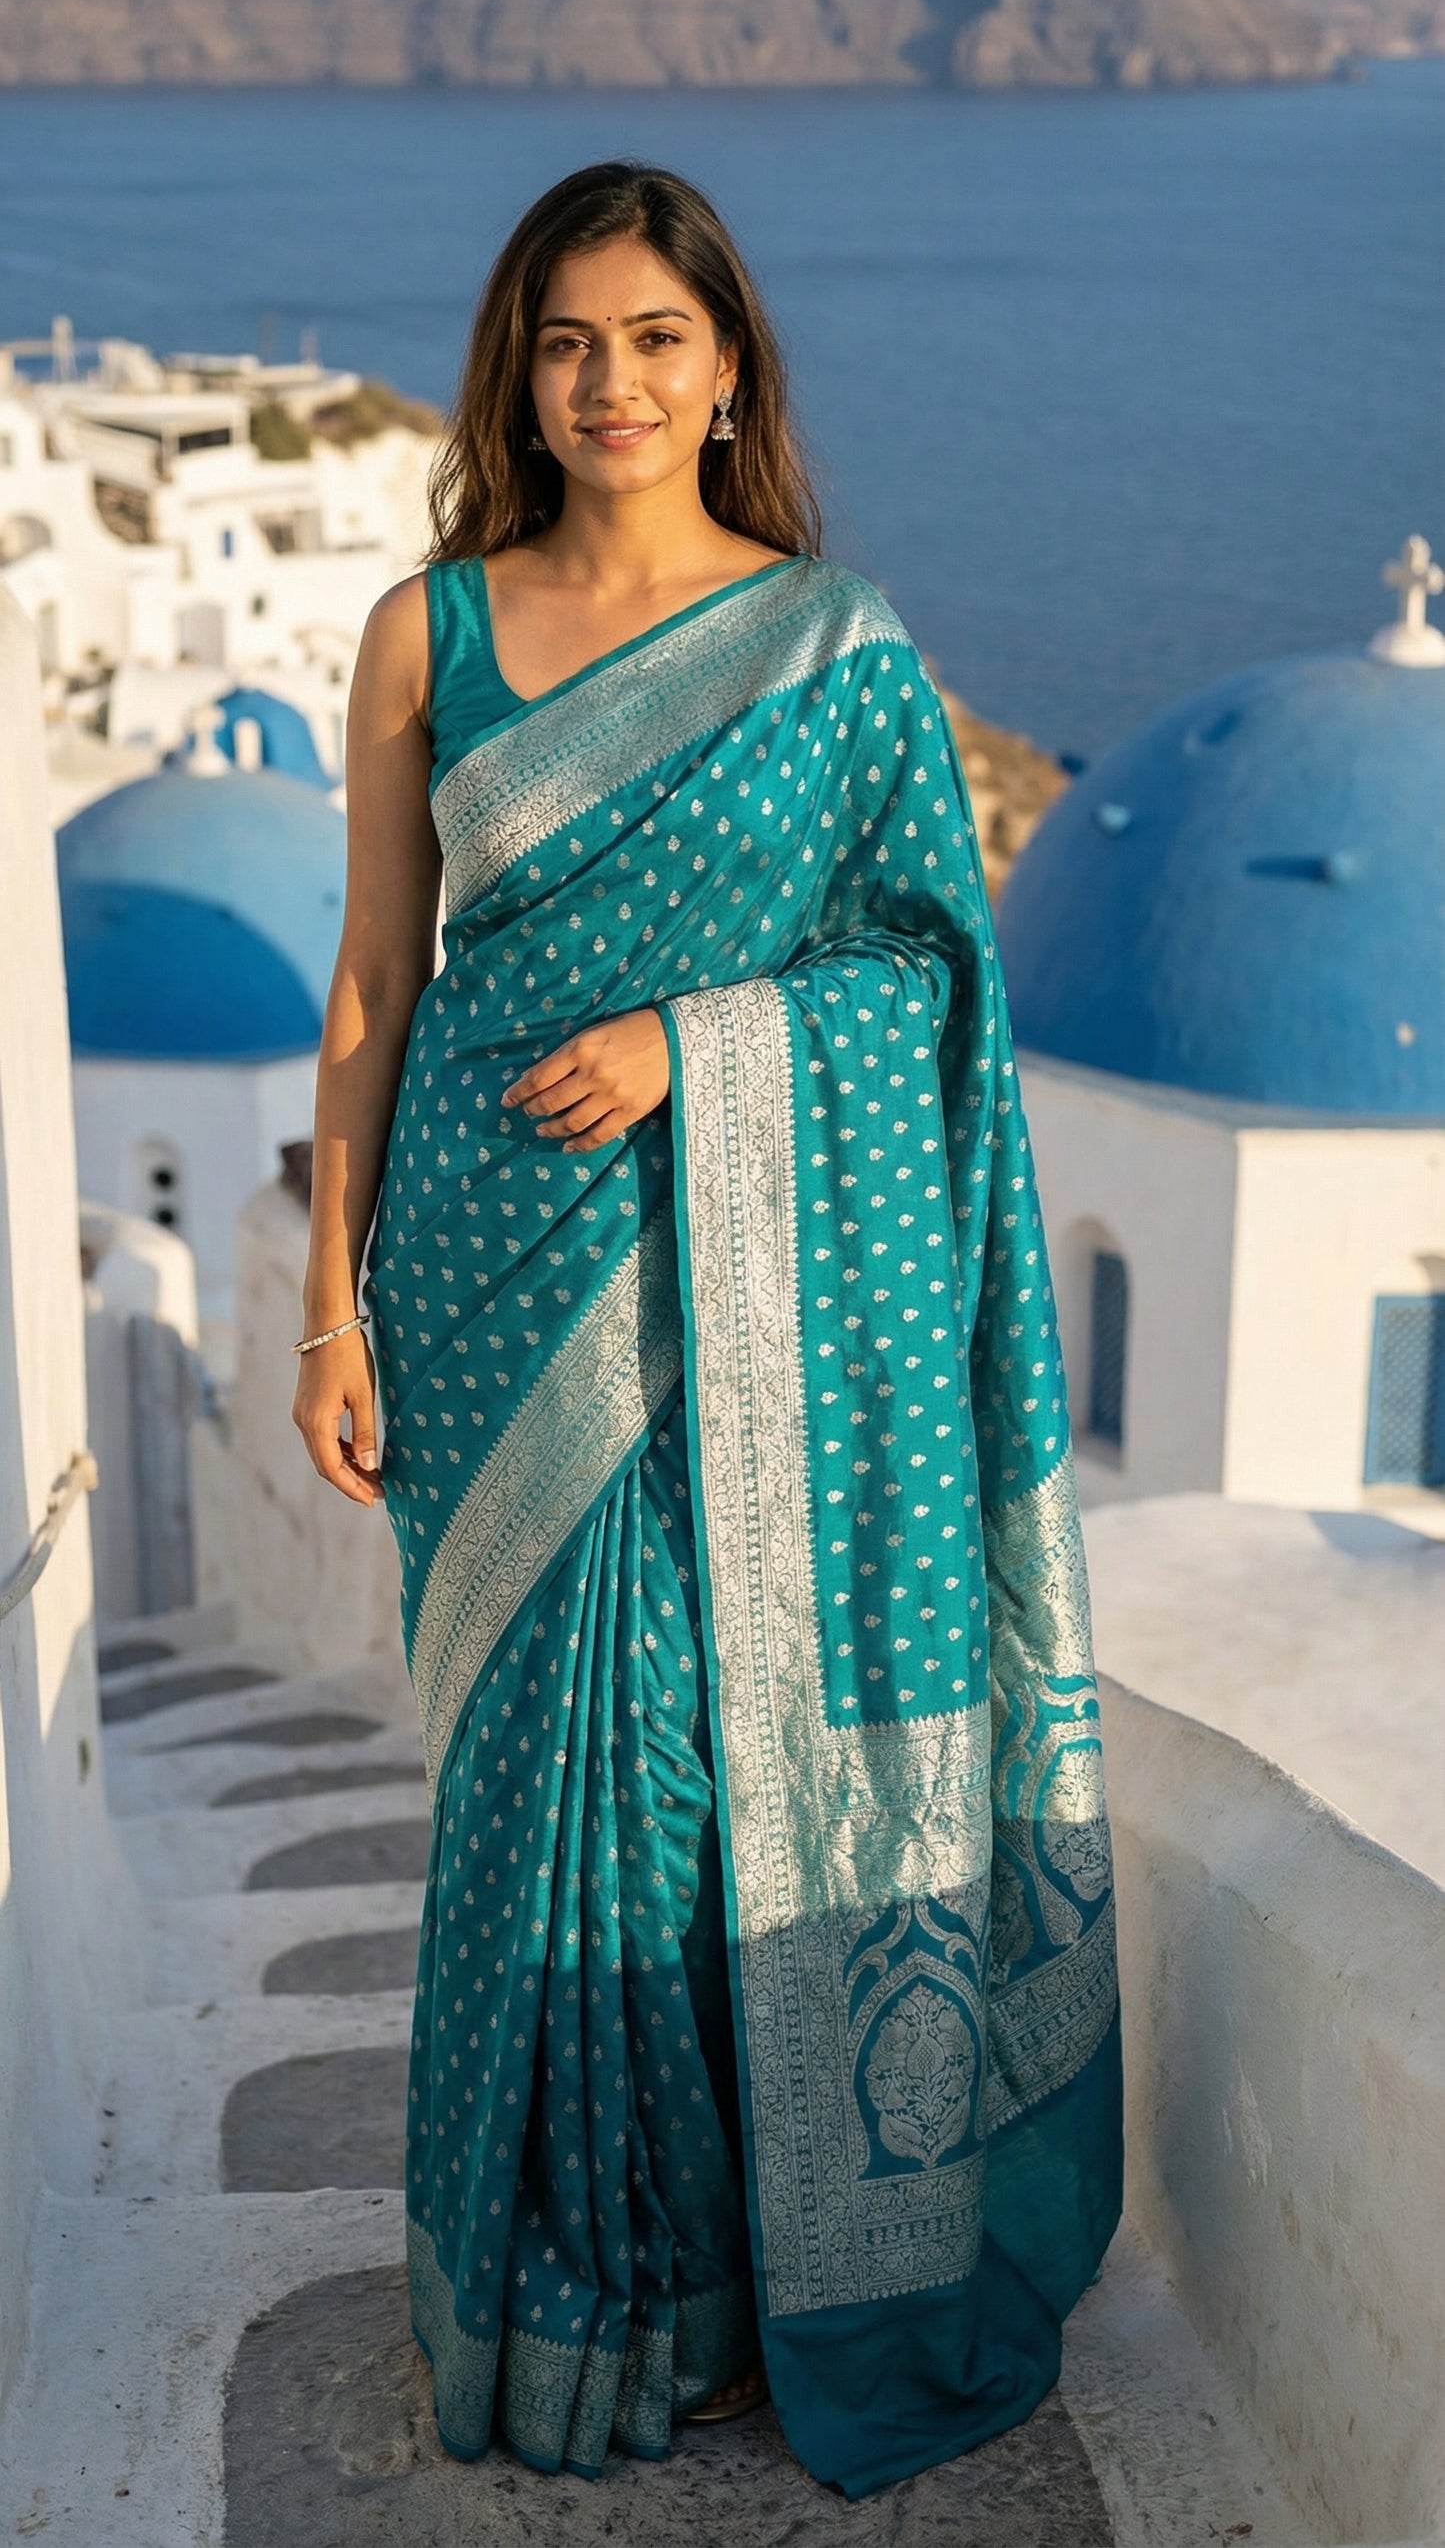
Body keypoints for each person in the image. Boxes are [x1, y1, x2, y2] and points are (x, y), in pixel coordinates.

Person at [293, 158, 1121, 2501]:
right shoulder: (424, 631)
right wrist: (326, 1307)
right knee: (531, 1779)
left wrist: (697, 1045)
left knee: (690, 1774)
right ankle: (554, 2297)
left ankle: (733, 2290)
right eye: (569, 340)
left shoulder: (831, 648)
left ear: (728, 362)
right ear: (516, 374)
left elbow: (930, 989)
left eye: (658, 336)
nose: (613, 382)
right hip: (480, 1274)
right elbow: (372, 981)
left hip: (756, 1279)